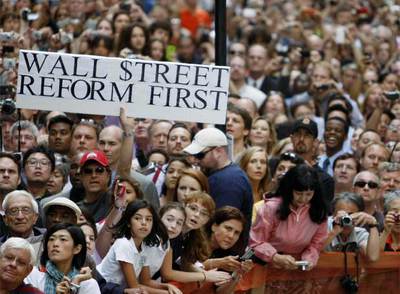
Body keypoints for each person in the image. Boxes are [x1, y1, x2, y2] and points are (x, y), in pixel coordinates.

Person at [250, 164, 328, 270]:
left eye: (309, 194)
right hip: (266, 267)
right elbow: (256, 242)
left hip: (298, 269)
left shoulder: (319, 210)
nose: (303, 199)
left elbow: (317, 243)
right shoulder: (271, 208)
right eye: (299, 193)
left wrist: (309, 259)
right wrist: (275, 256)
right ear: (289, 189)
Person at [183, 127, 253, 241]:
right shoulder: (222, 175)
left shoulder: (229, 181)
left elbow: (222, 227)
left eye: (200, 155)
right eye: (194, 155)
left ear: (218, 151)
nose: (196, 160)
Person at [97, 200, 174, 292]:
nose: (144, 223)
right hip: (101, 287)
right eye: (138, 218)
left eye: (149, 219)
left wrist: (167, 287)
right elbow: (133, 286)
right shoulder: (124, 244)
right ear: (129, 223)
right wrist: (166, 293)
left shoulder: (145, 247)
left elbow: (146, 281)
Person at [25, 223, 100, 293]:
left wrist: (74, 284)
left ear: (77, 249)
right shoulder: (33, 275)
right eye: (51, 239)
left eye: (63, 239)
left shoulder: (87, 284)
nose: (55, 244)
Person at [324, 192, 380, 262]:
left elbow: (373, 257)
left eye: (351, 214)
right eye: (343, 215)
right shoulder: (323, 227)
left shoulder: (359, 232)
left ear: (360, 214)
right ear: (333, 214)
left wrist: (373, 225)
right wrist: (334, 232)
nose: (346, 220)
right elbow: (313, 251)